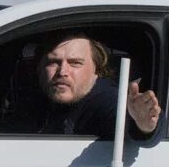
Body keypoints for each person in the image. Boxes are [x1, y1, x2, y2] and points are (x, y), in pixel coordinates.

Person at [32, 33, 160, 139]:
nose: (62, 72)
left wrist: (143, 126)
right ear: (39, 67)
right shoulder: (34, 97)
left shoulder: (107, 100)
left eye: (75, 63)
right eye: (53, 62)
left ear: (97, 69)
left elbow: (129, 124)